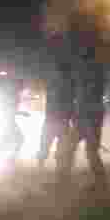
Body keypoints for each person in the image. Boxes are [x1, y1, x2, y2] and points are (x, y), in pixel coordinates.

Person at [61, 32, 108, 192]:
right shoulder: (84, 71)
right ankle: (64, 178)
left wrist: (84, 116)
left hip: (91, 115)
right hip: (85, 115)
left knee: (90, 151)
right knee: (69, 146)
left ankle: (100, 183)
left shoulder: (93, 72)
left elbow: (91, 94)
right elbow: (80, 94)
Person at [37, 31, 74, 172]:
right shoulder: (58, 76)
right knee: (51, 143)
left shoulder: (56, 76)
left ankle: (55, 168)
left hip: (57, 117)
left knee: (51, 143)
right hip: (57, 117)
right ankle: (55, 167)